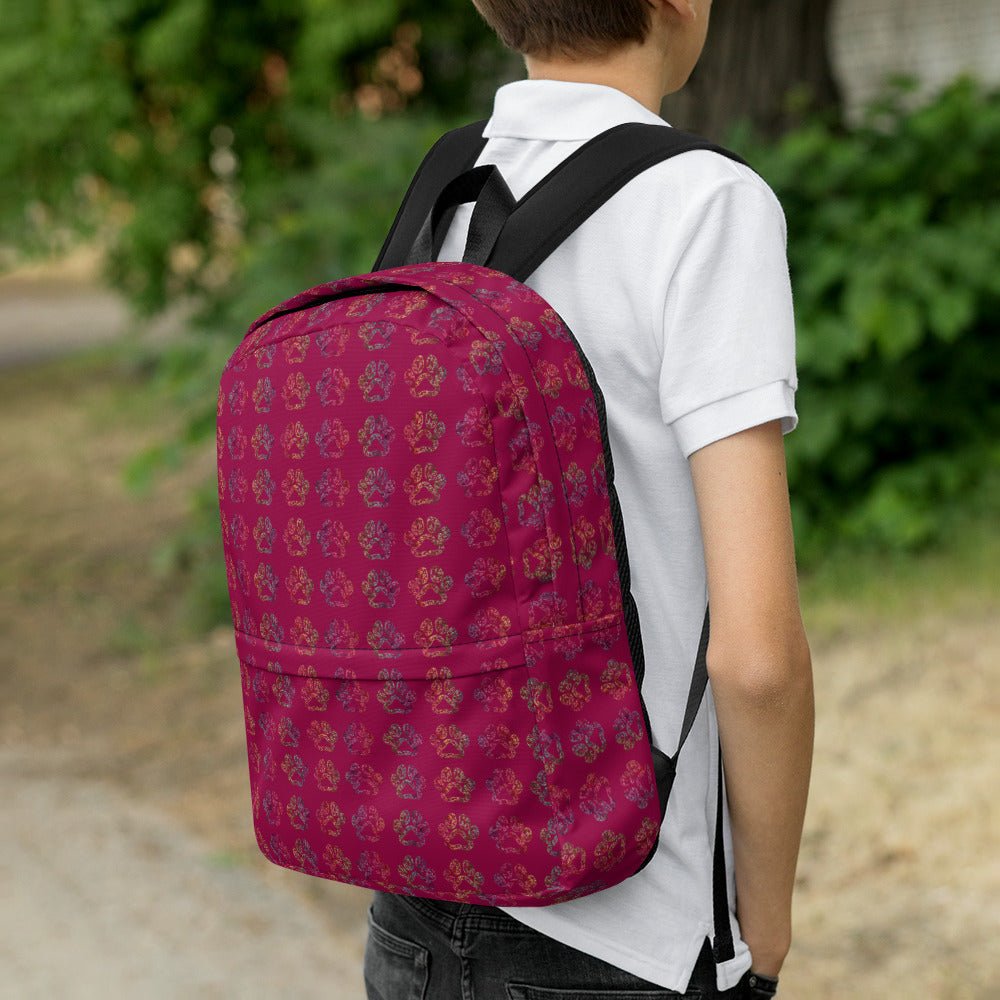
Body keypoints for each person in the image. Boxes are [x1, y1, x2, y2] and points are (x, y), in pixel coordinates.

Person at [363, 1, 815, 997]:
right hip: (623, 926)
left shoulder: (444, 192)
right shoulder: (705, 202)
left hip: (414, 899)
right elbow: (756, 658)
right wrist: (765, 927)